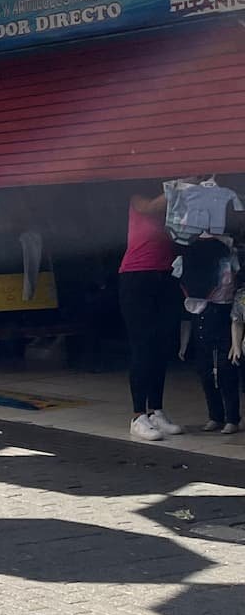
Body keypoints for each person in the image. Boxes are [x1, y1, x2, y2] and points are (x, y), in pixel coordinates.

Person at [121, 188, 183, 441]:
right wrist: (181, 186)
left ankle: (155, 410)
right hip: (136, 275)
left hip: (165, 274)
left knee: (162, 345)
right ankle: (138, 416)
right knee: (142, 345)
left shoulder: (174, 204)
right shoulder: (138, 196)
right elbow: (150, 207)